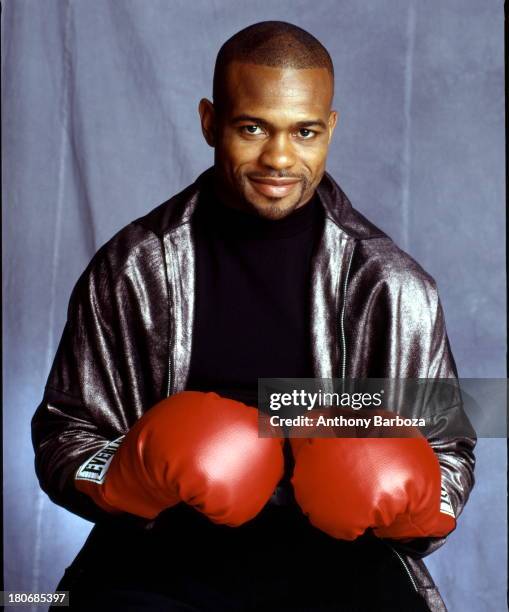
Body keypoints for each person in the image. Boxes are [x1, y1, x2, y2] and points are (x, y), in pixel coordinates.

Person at [32, 21, 476, 612]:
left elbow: (449, 451)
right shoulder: (133, 268)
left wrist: (406, 492)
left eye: (306, 132)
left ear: (331, 129)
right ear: (210, 122)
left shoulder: (393, 286)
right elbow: (65, 431)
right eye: (253, 127)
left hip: (342, 561)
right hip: (158, 551)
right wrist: (129, 471)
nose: (280, 158)